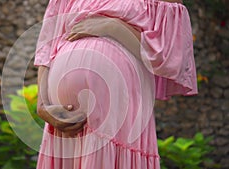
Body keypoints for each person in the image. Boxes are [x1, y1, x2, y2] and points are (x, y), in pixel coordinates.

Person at [34, 0, 197, 168]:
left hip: (116, 108)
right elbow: (47, 45)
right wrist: (43, 104)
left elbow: (168, 56)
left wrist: (113, 28)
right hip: (63, 118)